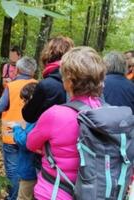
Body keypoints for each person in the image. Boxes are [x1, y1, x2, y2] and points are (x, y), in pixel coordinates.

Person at [26, 47, 106, 200]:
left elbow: (31, 144)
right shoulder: (107, 113)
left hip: (54, 193)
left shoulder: (55, 114)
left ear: (68, 82)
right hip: (95, 193)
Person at [0, 56, 38, 200]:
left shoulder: (11, 86)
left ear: (18, 70)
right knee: (27, 169)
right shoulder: (39, 86)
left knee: (13, 170)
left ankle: (13, 197)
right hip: (32, 135)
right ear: (33, 71)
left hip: (11, 134)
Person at [22, 36, 74, 123]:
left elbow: (28, 115)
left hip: (48, 135)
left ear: (48, 55)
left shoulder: (46, 85)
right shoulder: (80, 81)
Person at [12, 82, 39, 200]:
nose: (23, 103)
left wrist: (17, 128)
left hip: (30, 168)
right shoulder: (37, 115)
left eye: (25, 100)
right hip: (31, 167)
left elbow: (25, 142)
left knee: (23, 197)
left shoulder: (36, 118)